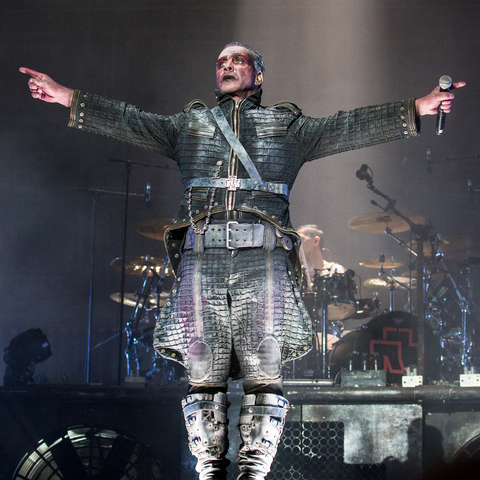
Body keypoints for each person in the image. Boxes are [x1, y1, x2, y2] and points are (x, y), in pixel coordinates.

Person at [19, 42, 464, 480]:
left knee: (264, 365)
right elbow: (128, 119)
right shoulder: (188, 125)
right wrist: (65, 96)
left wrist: (418, 107)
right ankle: (209, 471)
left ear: (258, 74)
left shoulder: (286, 126)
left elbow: (347, 126)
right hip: (202, 259)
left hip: (263, 261)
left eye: (238, 60)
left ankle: (254, 472)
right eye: (221, 61)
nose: (227, 65)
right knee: (201, 365)